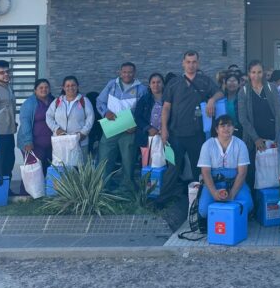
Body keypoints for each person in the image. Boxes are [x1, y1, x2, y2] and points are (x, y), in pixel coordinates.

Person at [161, 50, 223, 183]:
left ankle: (198, 194)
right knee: (173, 168)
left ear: (198, 63)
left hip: (196, 133)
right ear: (183, 63)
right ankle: (166, 195)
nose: (191, 65)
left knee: (198, 168)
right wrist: (164, 128)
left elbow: (220, 93)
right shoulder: (174, 83)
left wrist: (212, 100)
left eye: (194, 62)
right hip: (176, 133)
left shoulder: (205, 81)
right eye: (188, 62)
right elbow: (166, 107)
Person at [96, 61, 148, 194]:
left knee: (128, 159)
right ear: (120, 72)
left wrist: (136, 125)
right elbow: (100, 101)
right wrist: (105, 112)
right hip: (111, 127)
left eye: (130, 72)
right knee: (105, 157)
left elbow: (144, 111)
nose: (127, 75)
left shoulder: (141, 89)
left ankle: (126, 188)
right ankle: (102, 187)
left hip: (129, 130)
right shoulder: (111, 84)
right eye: (124, 72)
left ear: (134, 73)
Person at [133, 72, 181, 203]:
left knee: (168, 165)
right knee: (149, 166)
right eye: (153, 82)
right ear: (149, 85)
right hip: (148, 138)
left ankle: (164, 192)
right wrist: (149, 128)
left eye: (159, 82)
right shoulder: (145, 99)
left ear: (163, 84)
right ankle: (149, 194)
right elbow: (137, 117)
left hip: (167, 138)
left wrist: (165, 129)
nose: (156, 85)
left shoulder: (170, 99)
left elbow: (175, 117)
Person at [197, 114, 253, 218]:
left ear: (233, 128)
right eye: (222, 126)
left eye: (229, 125)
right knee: (204, 211)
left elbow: (242, 173)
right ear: (216, 129)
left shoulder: (240, 144)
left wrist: (231, 195)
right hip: (214, 181)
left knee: (248, 206)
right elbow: (205, 172)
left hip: (235, 181)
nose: (226, 128)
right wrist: (214, 193)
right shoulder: (207, 145)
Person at [238, 60, 280, 188]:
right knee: (253, 173)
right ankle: (254, 200)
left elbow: (279, 114)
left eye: (259, 72)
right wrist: (256, 139)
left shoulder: (271, 88)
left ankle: (272, 200)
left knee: (273, 172)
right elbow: (242, 118)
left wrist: (278, 137)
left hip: (272, 136)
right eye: (253, 72)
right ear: (249, 73)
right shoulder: (243, 91)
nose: (256, 76)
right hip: (252, 138)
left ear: (263, 73)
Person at [46, 76, 95, 164]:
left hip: (79, 141)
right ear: (63, 88)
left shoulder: (84, 101)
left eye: (73, 85)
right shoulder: (57, 101)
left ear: (77, 86)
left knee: (79, 168)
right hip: (60, 142)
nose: (70, 88)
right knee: (61, 167)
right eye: (67, 86)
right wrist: (56, 129)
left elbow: (90, 118)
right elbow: (48, 116)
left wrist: (83, 133)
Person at [17, 78, 54, 179]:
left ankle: (45, 189)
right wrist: (28, 141)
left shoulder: (53, 101)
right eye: (41, 88)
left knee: (47, 171)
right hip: (33, 144)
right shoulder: (29, 103)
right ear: (35, 90)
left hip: (49, 145)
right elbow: (25, 122)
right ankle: (26, 190)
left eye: (46, 87)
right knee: (33, 173)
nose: (44, 89)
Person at [222, 71, 243, 139]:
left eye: (234, 81)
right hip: (224, 130)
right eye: (229, 81)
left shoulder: (243, 98)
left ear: (239, 84)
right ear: (225, 85)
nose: (232, 83)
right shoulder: (221, 99)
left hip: (239, 130)